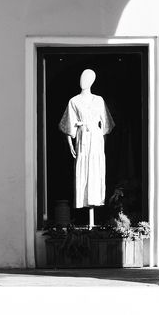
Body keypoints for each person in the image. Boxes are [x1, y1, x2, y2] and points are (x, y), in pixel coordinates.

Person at [59, 69, 114, 217]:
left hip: (96, 138)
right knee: (83, 168)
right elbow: (69, 124)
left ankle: (95, 199)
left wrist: (102, 143)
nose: (83, 80)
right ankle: (83, 199)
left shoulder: (99, 100)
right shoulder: (74, 101)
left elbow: (106, 125)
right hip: (82, 137)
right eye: (82, 77)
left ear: (92, 81)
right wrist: (70, 144)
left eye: (88, 78)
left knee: (95, 168)